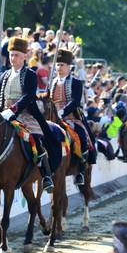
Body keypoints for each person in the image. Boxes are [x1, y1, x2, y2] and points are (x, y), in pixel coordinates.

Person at [0, 36, 55, 193]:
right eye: (11, 54)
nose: (12, 58)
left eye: (16, 55)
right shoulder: (4, 75)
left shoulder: (30, 74)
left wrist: (13, 110)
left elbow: (28, 96)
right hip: (4, 115)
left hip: (26, 114)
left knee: (36, 139)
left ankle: (46, 175)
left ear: (24, 56)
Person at [49, 49, 94, 185]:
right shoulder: (52, 82)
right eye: (57, 65)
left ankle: (80, 168)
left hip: (70, 116)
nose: (59, 67)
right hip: (52, 117)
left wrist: (62, 111)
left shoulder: (75, 82)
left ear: (69, 67)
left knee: (81, 135)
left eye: (62, 65)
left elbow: (75, 101)